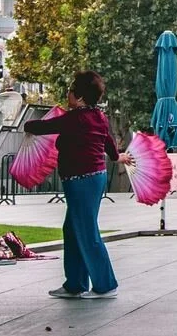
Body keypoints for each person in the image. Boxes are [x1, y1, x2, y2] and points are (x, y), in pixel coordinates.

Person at [23, 71, 132, 299]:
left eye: (71, 89)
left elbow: (39, 126)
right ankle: (75, 284)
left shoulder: (74, 118)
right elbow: (109, 142)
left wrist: (27, 124)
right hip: (93, 178)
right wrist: (116, 157)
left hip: (80, 181)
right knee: (73, 230)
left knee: (86, 231)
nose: (68, 93)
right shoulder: (98, 117)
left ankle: (104, 284)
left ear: (80, 97)